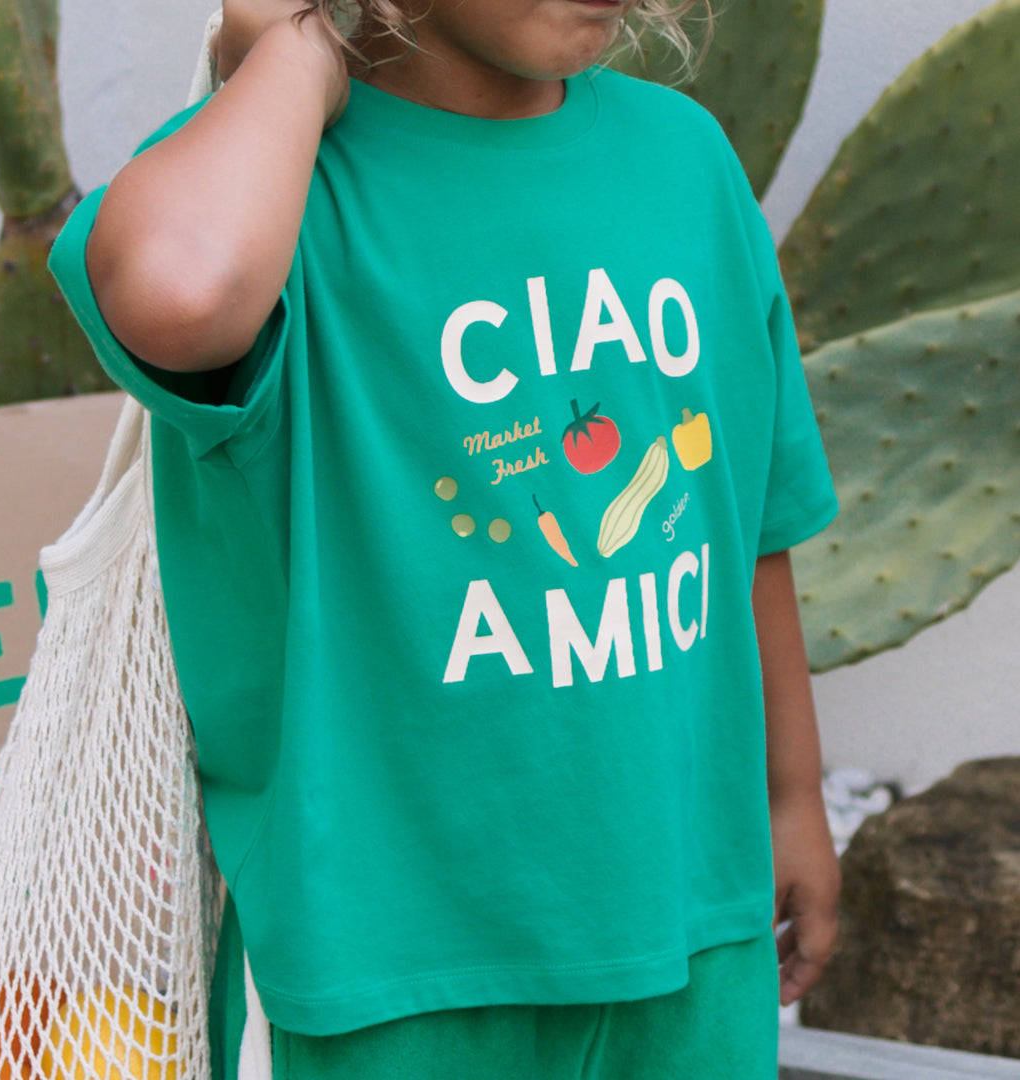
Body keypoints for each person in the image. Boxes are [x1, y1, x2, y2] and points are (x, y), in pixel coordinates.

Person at [49, 0, 841, 1075]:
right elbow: (181, 291)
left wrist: (792, 796)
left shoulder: (685, 162)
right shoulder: (282, 193)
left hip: (691, 923)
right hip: (393, 974)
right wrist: (299, 48)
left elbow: (748, 518)